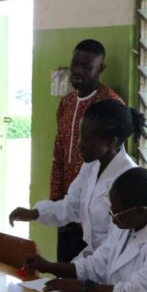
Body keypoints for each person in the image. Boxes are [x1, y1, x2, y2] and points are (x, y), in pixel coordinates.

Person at [24, 167, 147, 292]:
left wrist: (86, 288)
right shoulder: (127, 226)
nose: (113, 219)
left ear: (141, 210)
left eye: (117, 213)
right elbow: (96, 265)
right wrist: (48, 266)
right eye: (111, 211)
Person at [9, 99, 139, 259]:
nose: (79, 144)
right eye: (80, 137)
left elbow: (114, 248)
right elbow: (72, 206)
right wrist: (35, 213)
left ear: (112, 141)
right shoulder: (92, 166)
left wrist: (59, 269)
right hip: (94, 257)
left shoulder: (130, 179)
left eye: (87, 139)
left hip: (116, 264)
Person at [50, 40, 125, 262]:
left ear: (100, 69)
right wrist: (55, 202)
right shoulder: (66, 103)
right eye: (75, 64)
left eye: (87, 66)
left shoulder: (110, 105)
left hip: (96, 214)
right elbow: (59, 154)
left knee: (87, 276)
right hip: (67, 208)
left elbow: (115, 158)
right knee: (64, 271)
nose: (78, 71)